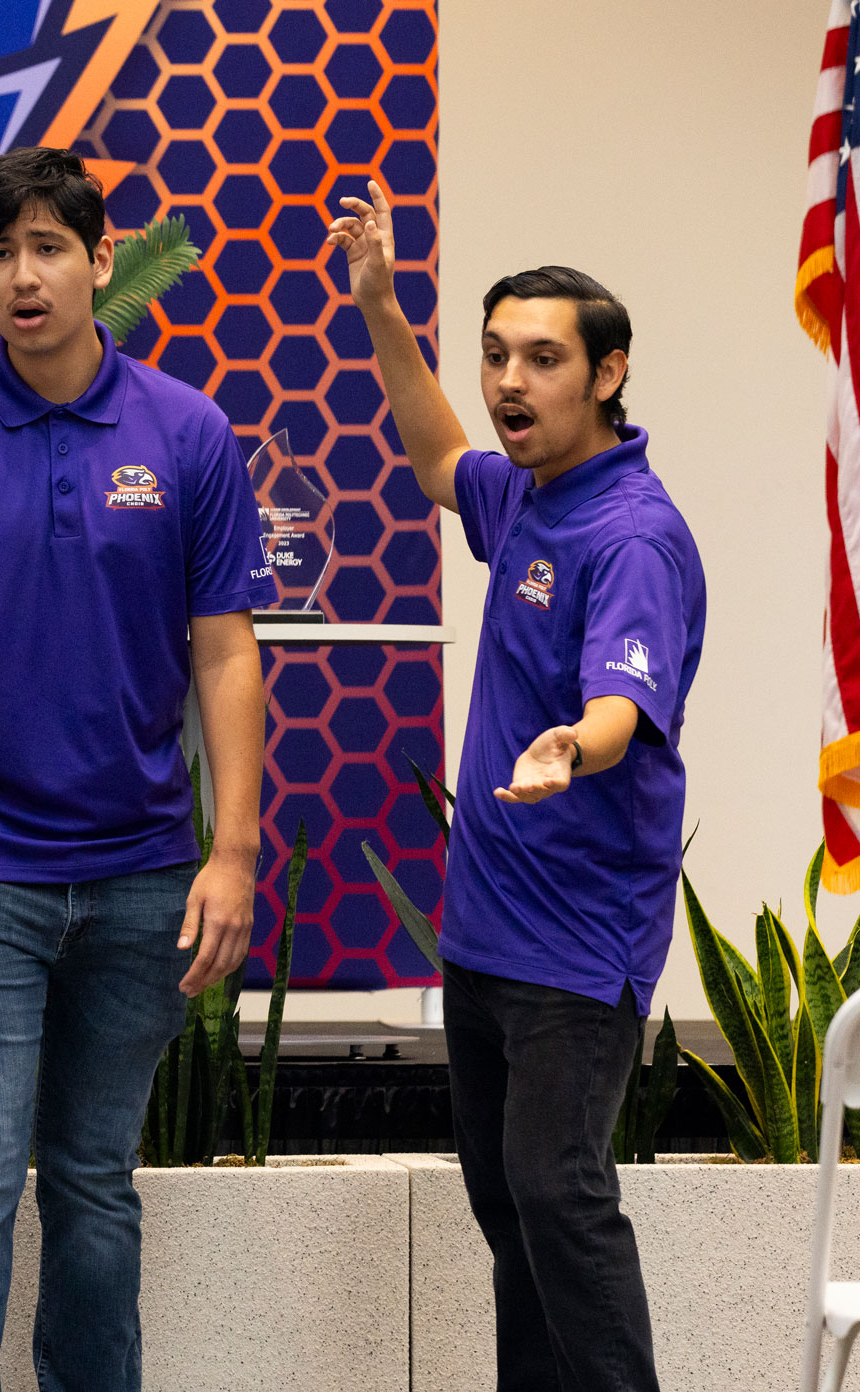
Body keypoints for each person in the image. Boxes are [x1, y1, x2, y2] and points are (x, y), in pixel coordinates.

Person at [0, 146, 276, 1392]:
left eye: (48, 250)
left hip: (139, 872)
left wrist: (229, 854)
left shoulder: (183, 433)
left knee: (94, 1184)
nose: (24, 277)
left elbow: (227, 658)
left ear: (95, 262)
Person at [330, 181, 705, 1392]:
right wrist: (382, 307)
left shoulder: (631, 534)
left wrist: (571, 748)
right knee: (509, 1211)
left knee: (559, 1195)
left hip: (578, 944)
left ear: (607, 373)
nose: (507, 383)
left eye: (541, 359)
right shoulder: (528, 495)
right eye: (495, 355)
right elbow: (438, 452)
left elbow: (621, 701)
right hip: (484, 929)